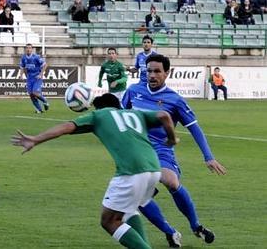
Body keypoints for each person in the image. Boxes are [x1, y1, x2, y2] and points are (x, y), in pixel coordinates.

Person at [12, 93, 178, 249]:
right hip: (154, 169)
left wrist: (36, 139)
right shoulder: (135, 113)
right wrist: (171, 139)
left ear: (99, 108)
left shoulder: (99, 115)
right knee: (129, 209)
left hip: (131, 171)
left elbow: (66, 127)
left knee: (109, 221)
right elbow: (164, 115)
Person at [122, 54, 226, 247]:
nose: (152, 75)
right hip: (137, 151)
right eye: (149, 71)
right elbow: (121, 117)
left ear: (167, 73)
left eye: (157, 71)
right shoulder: (133, 91)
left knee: (170, 180)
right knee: (138, 195)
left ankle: (195, 226)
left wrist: (208, 157)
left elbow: (194, 127)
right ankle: (170, 232)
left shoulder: (174, 100)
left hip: (162, 150)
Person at [19, 43, 49, 113]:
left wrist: (41, 74)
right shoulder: (23, 58)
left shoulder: (36, 57)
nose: (28, 49)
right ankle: (39, 109)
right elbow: (22, 67)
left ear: (32, 49)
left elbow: (45, 65)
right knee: (31, 94)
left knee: (35, 92)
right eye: (27, 48)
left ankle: (45, 101)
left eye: (30, 48)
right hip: (29, 78)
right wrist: (21, 75)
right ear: (25, 49)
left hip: (37, 77)